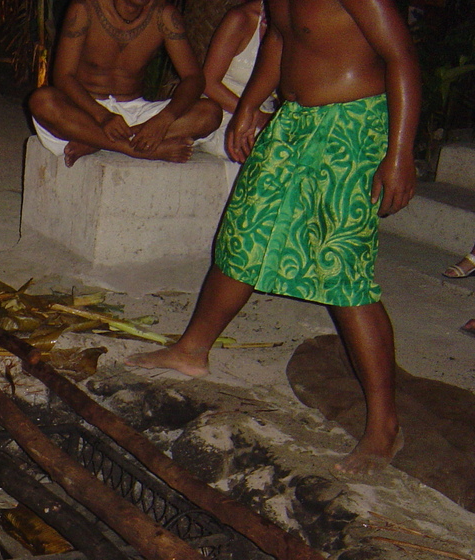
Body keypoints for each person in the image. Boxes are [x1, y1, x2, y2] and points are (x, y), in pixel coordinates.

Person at [127, 0, 420, 476]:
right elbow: (280, 40)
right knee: (244, 234)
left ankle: (384, 427)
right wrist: (246, 107)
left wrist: (399, 154)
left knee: (340, 266)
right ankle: (191, 350)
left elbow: (401, 58)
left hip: (353, 125)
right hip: (292, 121)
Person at [28, 0, 222, 166]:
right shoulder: (85, 8)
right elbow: (63, 77)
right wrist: (103, 117)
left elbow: (194, 78)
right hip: (85, 111)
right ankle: (134, 149)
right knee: (42, 101)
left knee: (210, 113)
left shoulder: (164, 16)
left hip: (135, 115)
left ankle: (95, 141)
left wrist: (164, 120)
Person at [198, 0, 277, 162]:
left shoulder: (298, 25)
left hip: (265, 115)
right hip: (225, 112)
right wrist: (255, 115)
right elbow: (208, 83)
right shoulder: (241, 18)